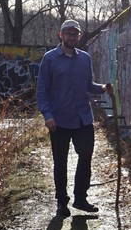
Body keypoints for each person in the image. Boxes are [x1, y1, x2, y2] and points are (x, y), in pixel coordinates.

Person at [36, 19, 114, 217]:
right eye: (68, 34)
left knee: (86, 157)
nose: (72, 37)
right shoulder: (50, 59)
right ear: (61, 35)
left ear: (79, 36)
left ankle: (80, 199)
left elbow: (89, 85)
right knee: (60, 162)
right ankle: (62, 202)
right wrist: (48, 116)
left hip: (82, 118)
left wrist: (102, 88)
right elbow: (42, 91)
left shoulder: (84, 59)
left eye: (75, 34)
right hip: (59, 120)